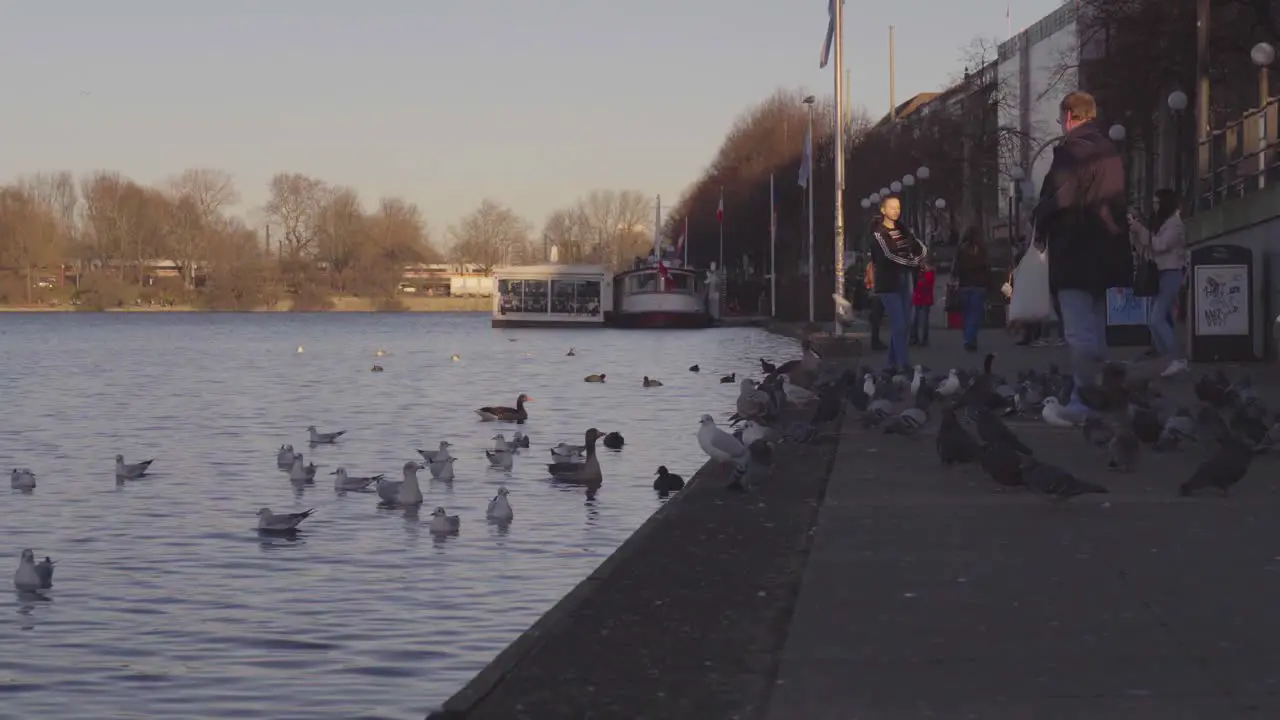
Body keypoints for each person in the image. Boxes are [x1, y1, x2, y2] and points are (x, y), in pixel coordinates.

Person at [1031, 91, 1129, 417]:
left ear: (1071, 116)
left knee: (1079, 333)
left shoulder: (1072, 152)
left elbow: (1061, 197)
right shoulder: (1111, 153)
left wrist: (1039, 217)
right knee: (1096, 328)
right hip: (1106, 251)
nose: (1061, 124)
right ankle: (1101, 395)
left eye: (1061, 118)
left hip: (1074, 252)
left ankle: (1086, 400)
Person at [1129, 188, 1189, 376]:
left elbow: (1160, 245)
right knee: (1159, 318)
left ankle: (1177, 358)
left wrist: (1141, 231)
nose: (1154, 206)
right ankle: (1167, 358)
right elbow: (1146, 249)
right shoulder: (1160, 223)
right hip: (1160, 274)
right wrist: (1136, 234)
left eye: (1157, 202)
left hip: (1171, 273)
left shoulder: (1175, 225)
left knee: (1157, 318)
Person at [866, 195, 926, 371]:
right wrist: (912, 262)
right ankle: (904, 364)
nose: (896, 211)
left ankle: (892, 364)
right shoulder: (879, 233)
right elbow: (888, 256)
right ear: (883, 210)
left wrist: (919, 258)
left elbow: (920, 247)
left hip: (905, 279)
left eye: (898, 207)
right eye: (891, 207)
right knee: (899, 323)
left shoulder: (903, 230)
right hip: (887, 282)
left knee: (906, 323)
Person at [951, 228, 990, 352]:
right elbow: (987, 267)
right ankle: (971, 339)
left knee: (966, 314)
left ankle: (968, 338)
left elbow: (955, 267)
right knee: (975, 314)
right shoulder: (982, 250)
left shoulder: (961, 250)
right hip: (978, 285)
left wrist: (954, 279)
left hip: (964, 285)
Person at [910, 255, 936, 346]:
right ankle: (914, 337)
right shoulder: (918, 271)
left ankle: (923, 339)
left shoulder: (929, 272)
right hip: (918, 297)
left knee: (923, 319)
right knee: (915, 318)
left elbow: (926, 283)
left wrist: (919, 281)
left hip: (924, 297)